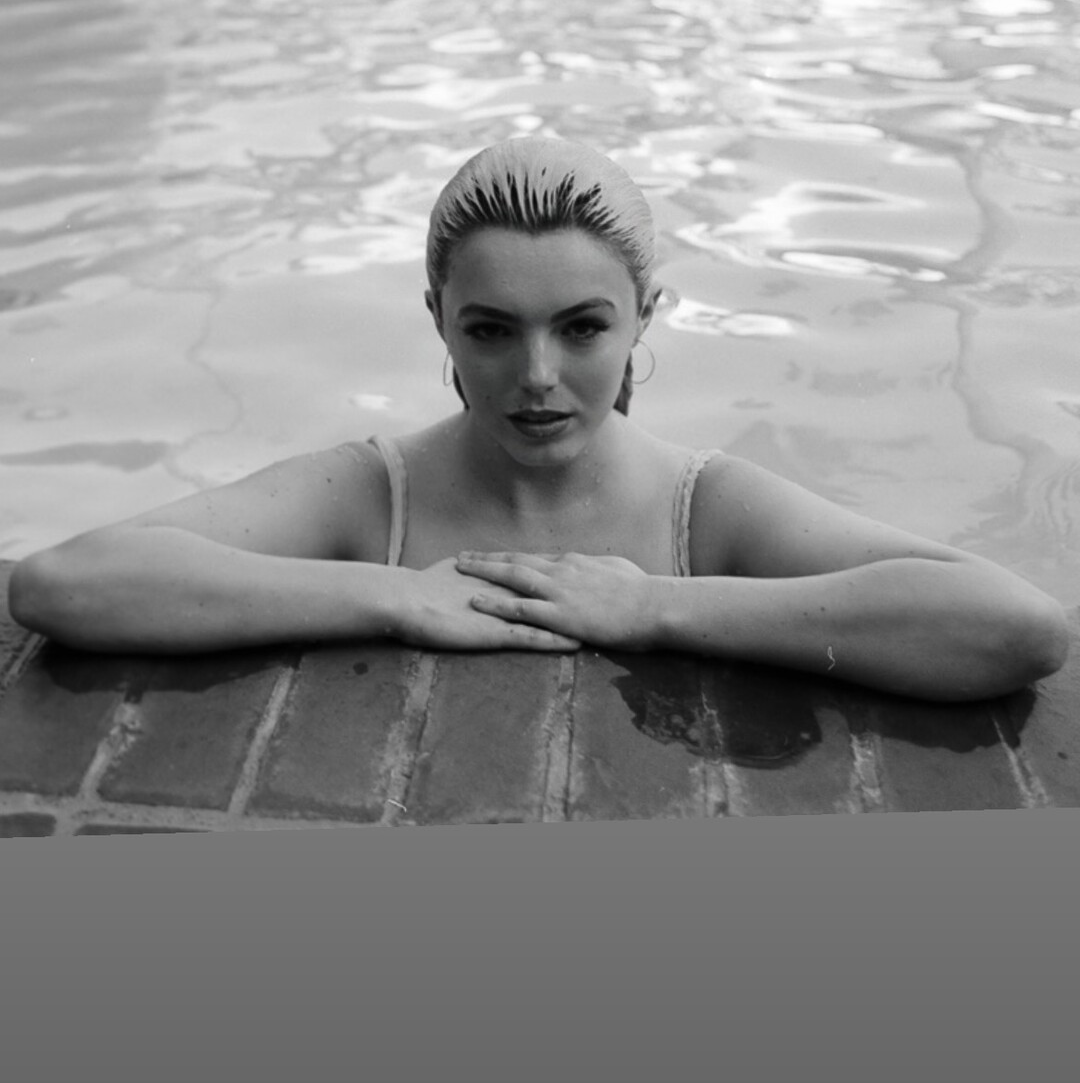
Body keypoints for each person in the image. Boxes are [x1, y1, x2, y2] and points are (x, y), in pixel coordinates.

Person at [8, 137, 1070, 702]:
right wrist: (392, 596)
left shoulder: (705, 512)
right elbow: (68, 585)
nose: (537, 377)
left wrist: (656, 607)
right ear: (438, 319)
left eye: (582, 328)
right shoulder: (372, 497)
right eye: (490, 331)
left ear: (645, 316)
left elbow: (1014, 629)